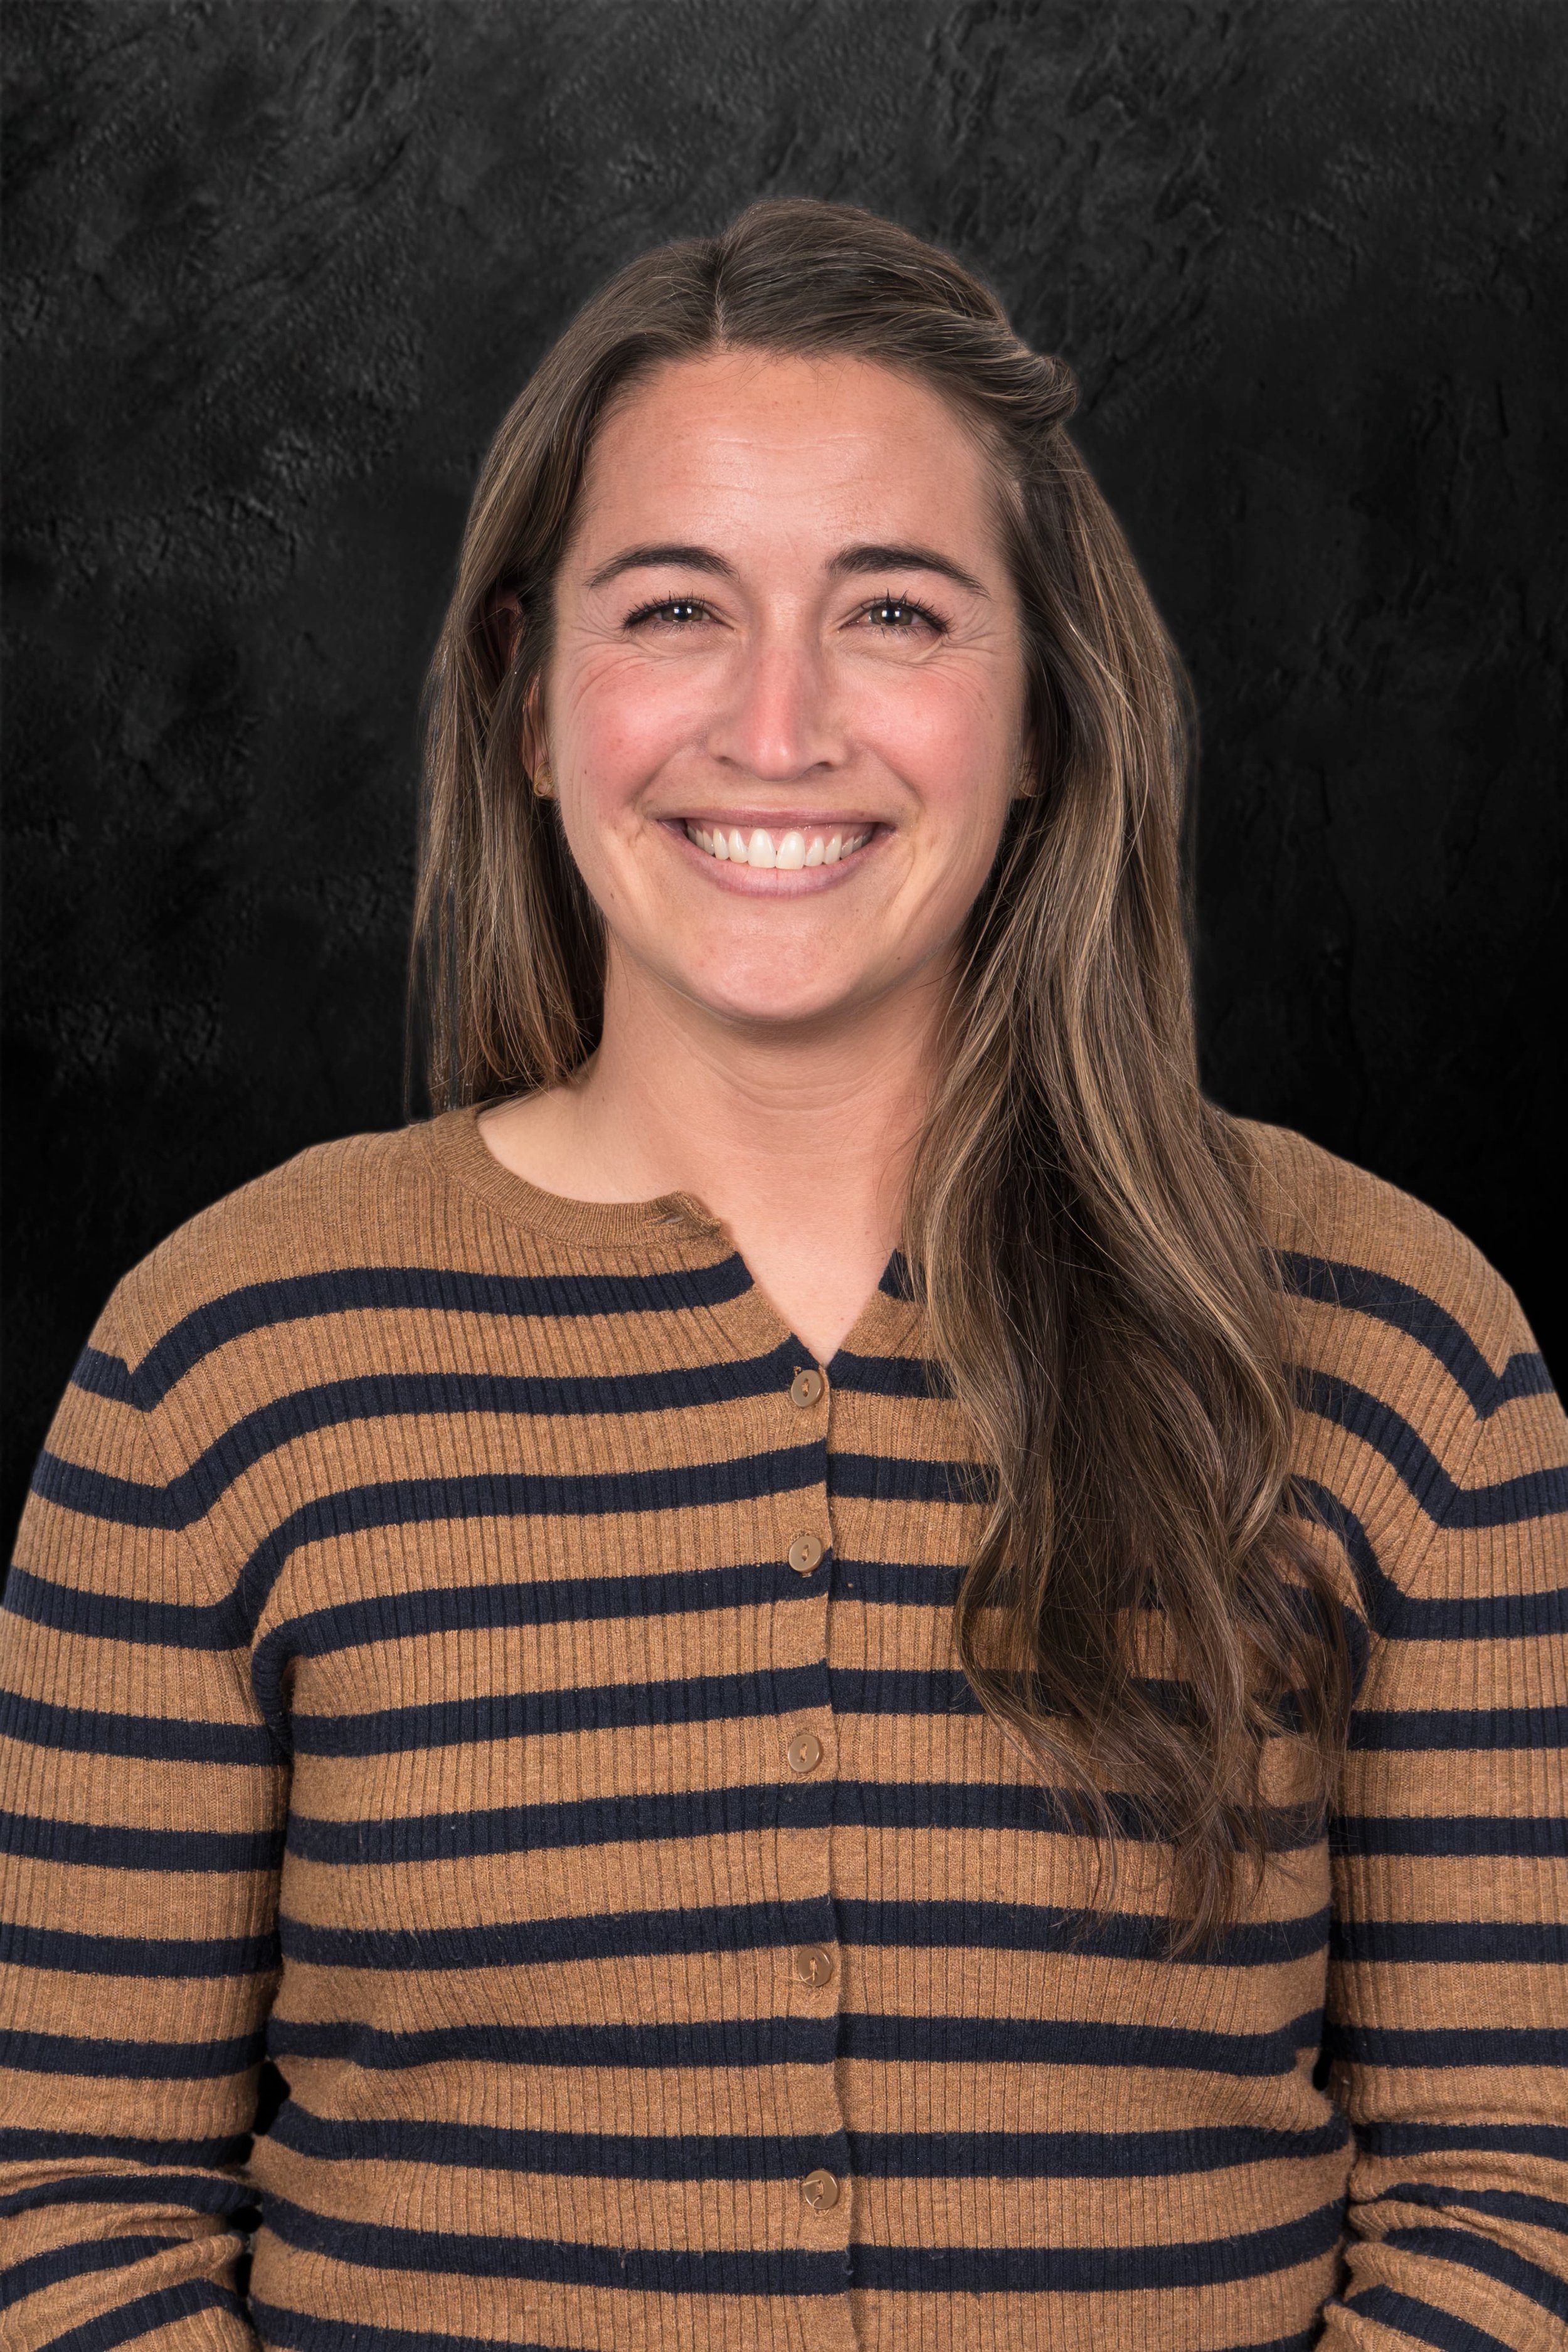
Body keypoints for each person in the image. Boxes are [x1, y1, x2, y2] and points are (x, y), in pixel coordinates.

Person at [1, 198, 1563, 2352]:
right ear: (530, 700)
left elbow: (1514, 2188)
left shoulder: (1390, 1343)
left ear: (1042, 720)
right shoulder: (228, 1357)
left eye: (897, 612)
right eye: (672, 608)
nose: (776, 722)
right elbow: (59, 2203)